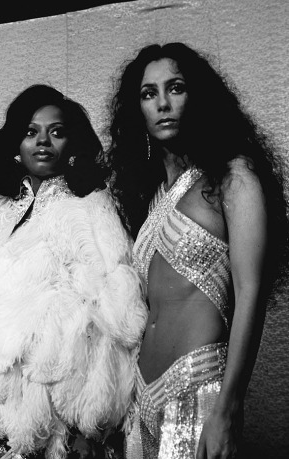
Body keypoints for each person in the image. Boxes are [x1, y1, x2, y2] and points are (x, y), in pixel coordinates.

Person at [0, 84, 148, 459]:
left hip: (52, 422)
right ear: (15, 145)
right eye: (30, 132)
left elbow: (114, 320)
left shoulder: (89, 210)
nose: (43, 141)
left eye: (57, 132)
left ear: (73, 146)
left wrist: (86, 422)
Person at [106, 42, 288, 458]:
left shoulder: (233, 176)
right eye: (148, 94)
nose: (163, 103)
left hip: (198, 391)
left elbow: (251, 295)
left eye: (176, 88)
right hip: (140, 399)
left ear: (198, 97)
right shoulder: (150, 196)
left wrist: (228, 407)